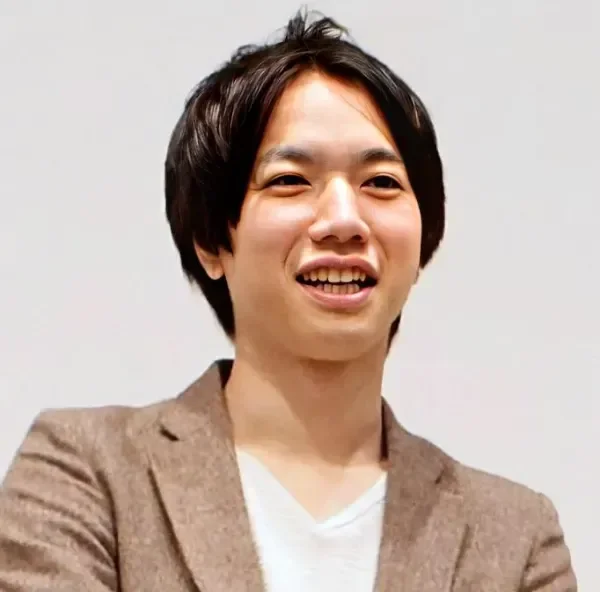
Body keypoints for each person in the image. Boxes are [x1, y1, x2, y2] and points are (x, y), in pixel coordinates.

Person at [0, 10, 577, 592]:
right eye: (290, 181)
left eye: (381, 183)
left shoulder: (514, 538)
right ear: (211, 241)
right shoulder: (87, 473)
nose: (344, 220)